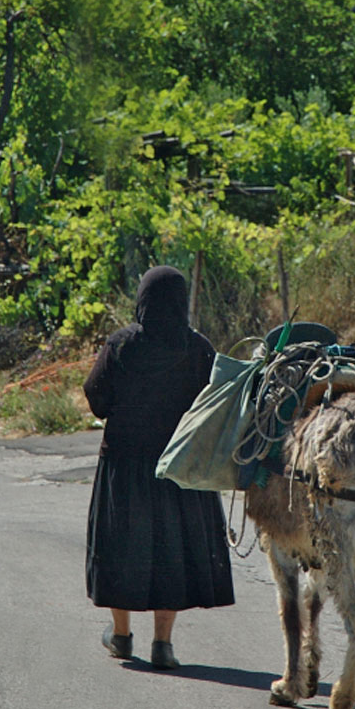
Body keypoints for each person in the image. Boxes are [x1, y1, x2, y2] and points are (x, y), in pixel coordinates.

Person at [83, 265, 235, 669]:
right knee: (170, 554)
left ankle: (120, 635)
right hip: (179, 468)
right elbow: (215, 404)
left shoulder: (121, 345)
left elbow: (97, 401)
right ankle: (162, 645)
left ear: (143, 299)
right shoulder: (199, 349)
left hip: (124, 465)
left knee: (121, 548)